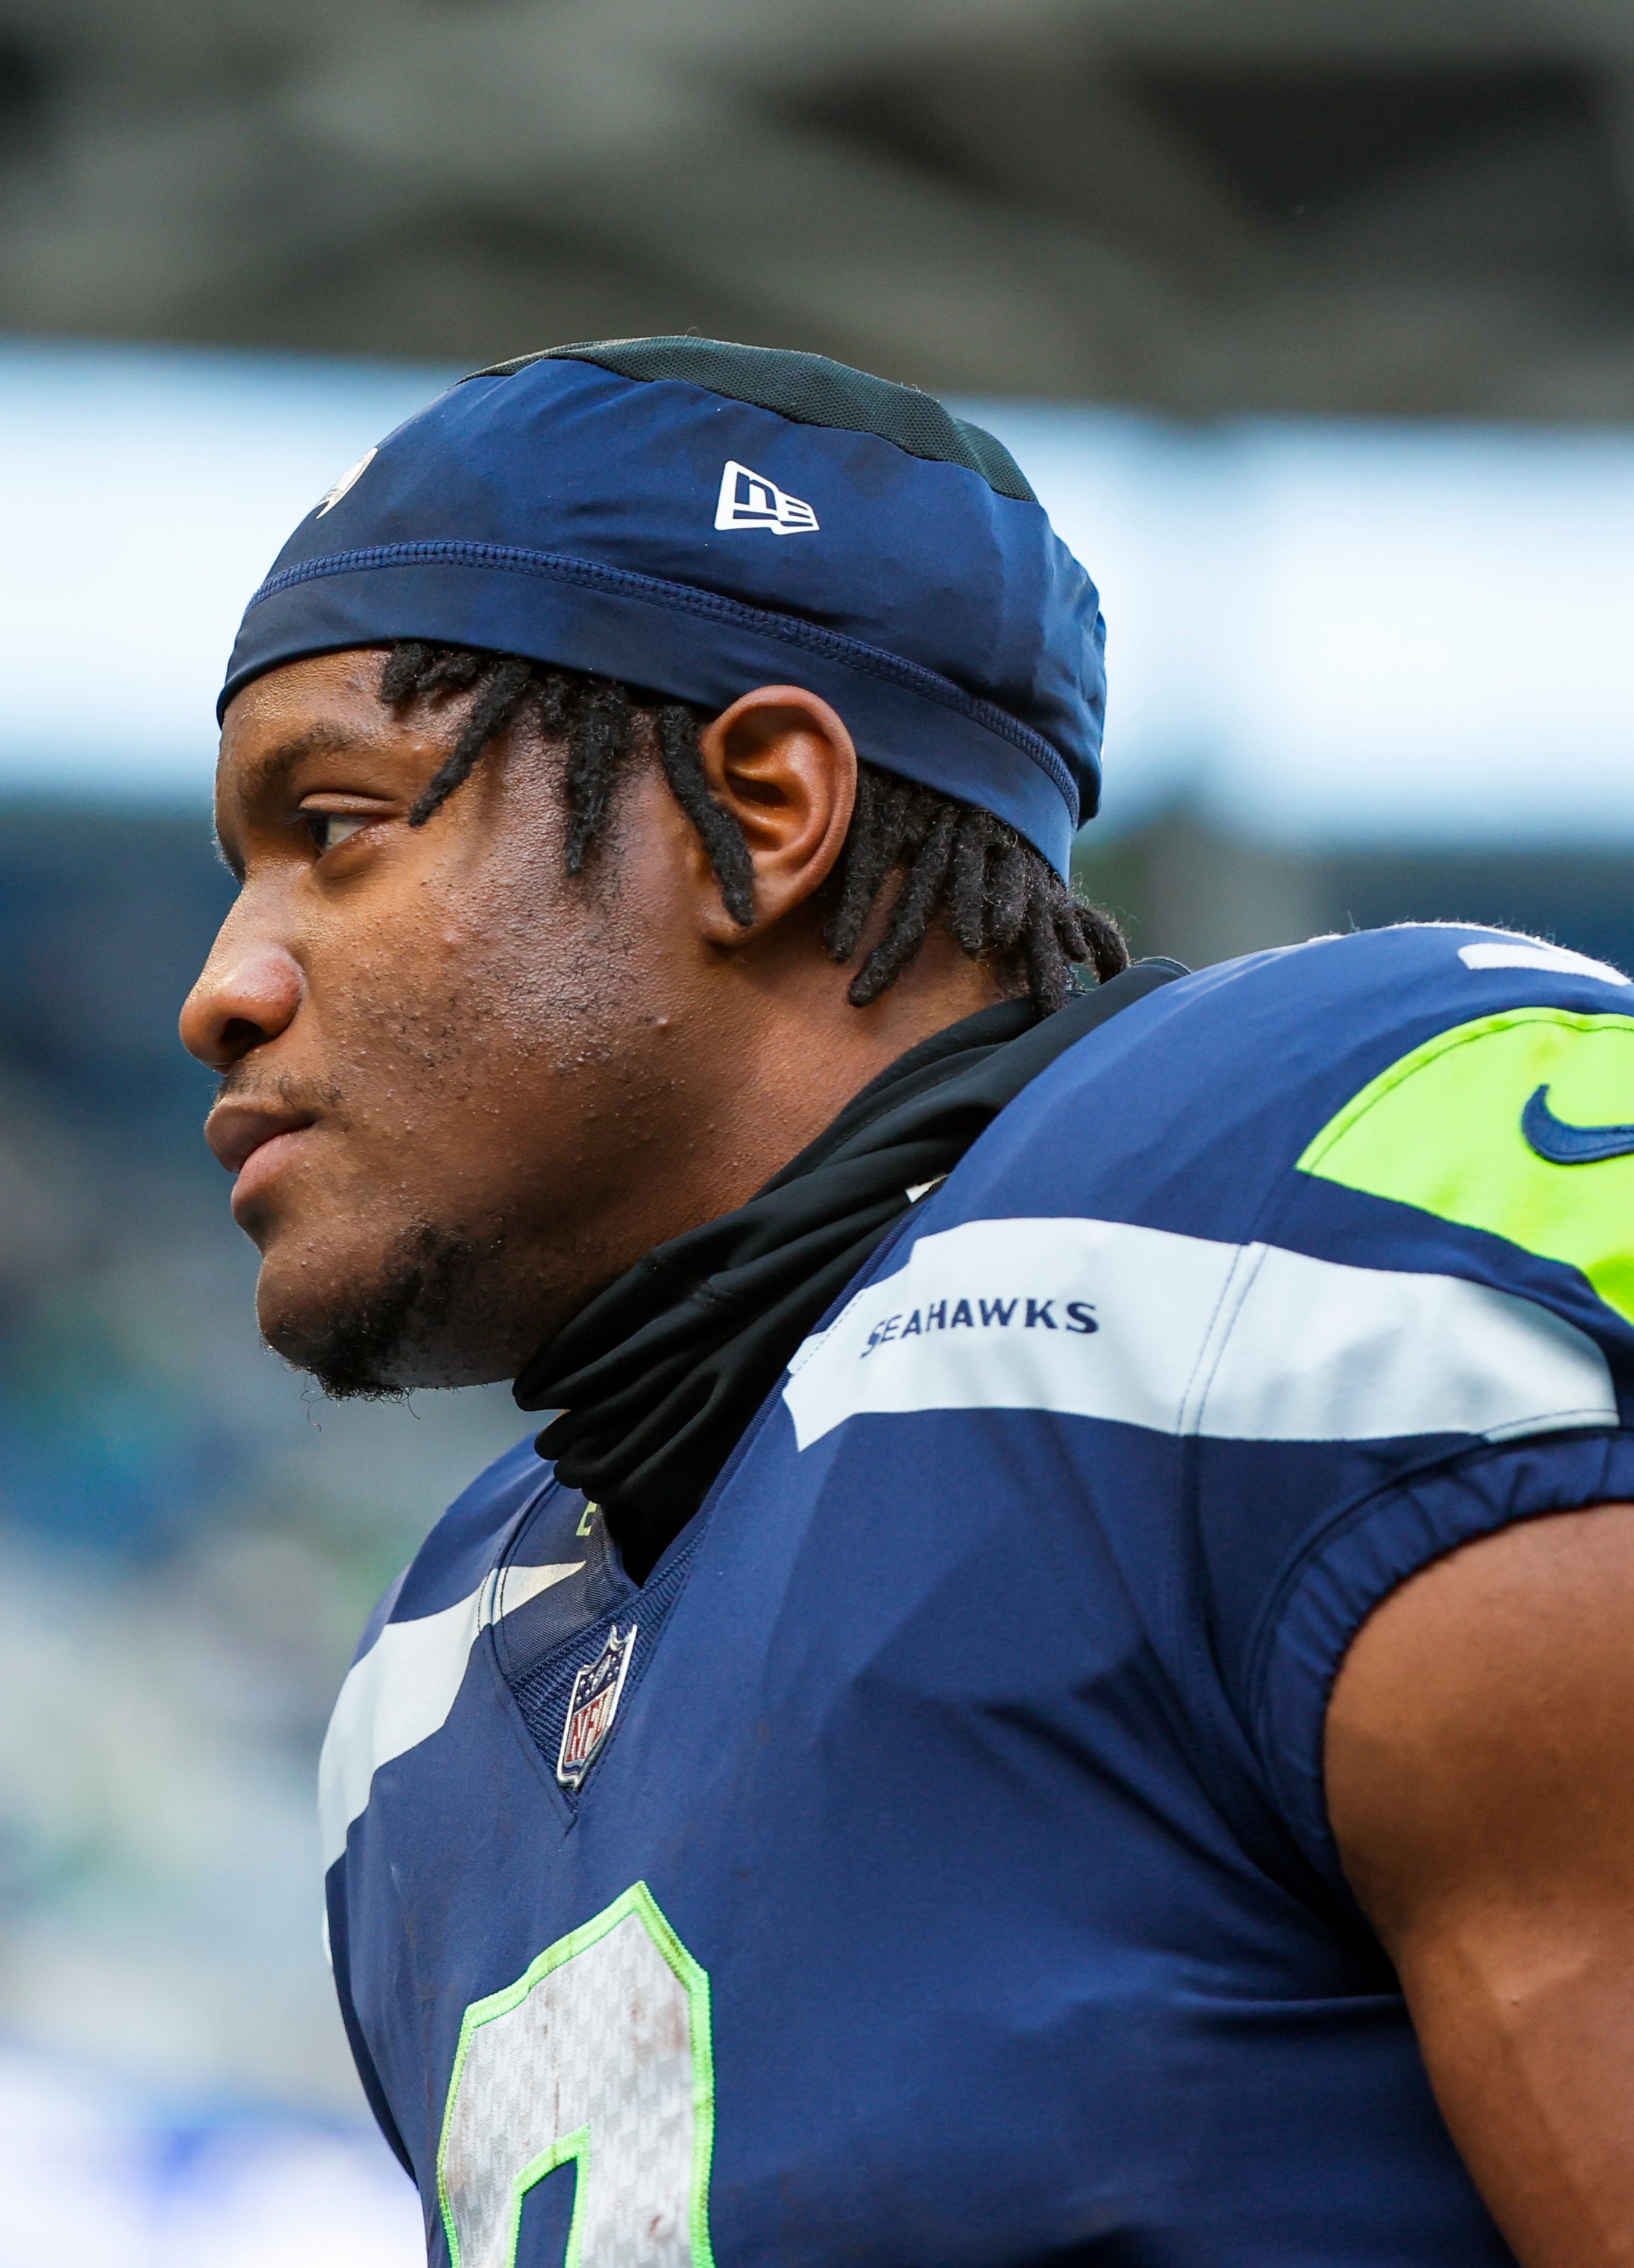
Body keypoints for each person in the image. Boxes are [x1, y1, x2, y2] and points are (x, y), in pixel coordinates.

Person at [183, 337, 1634, 2264]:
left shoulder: (1313, 1211)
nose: (225, 985)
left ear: (766, 807)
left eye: (336, 832)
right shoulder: (434, 1692)